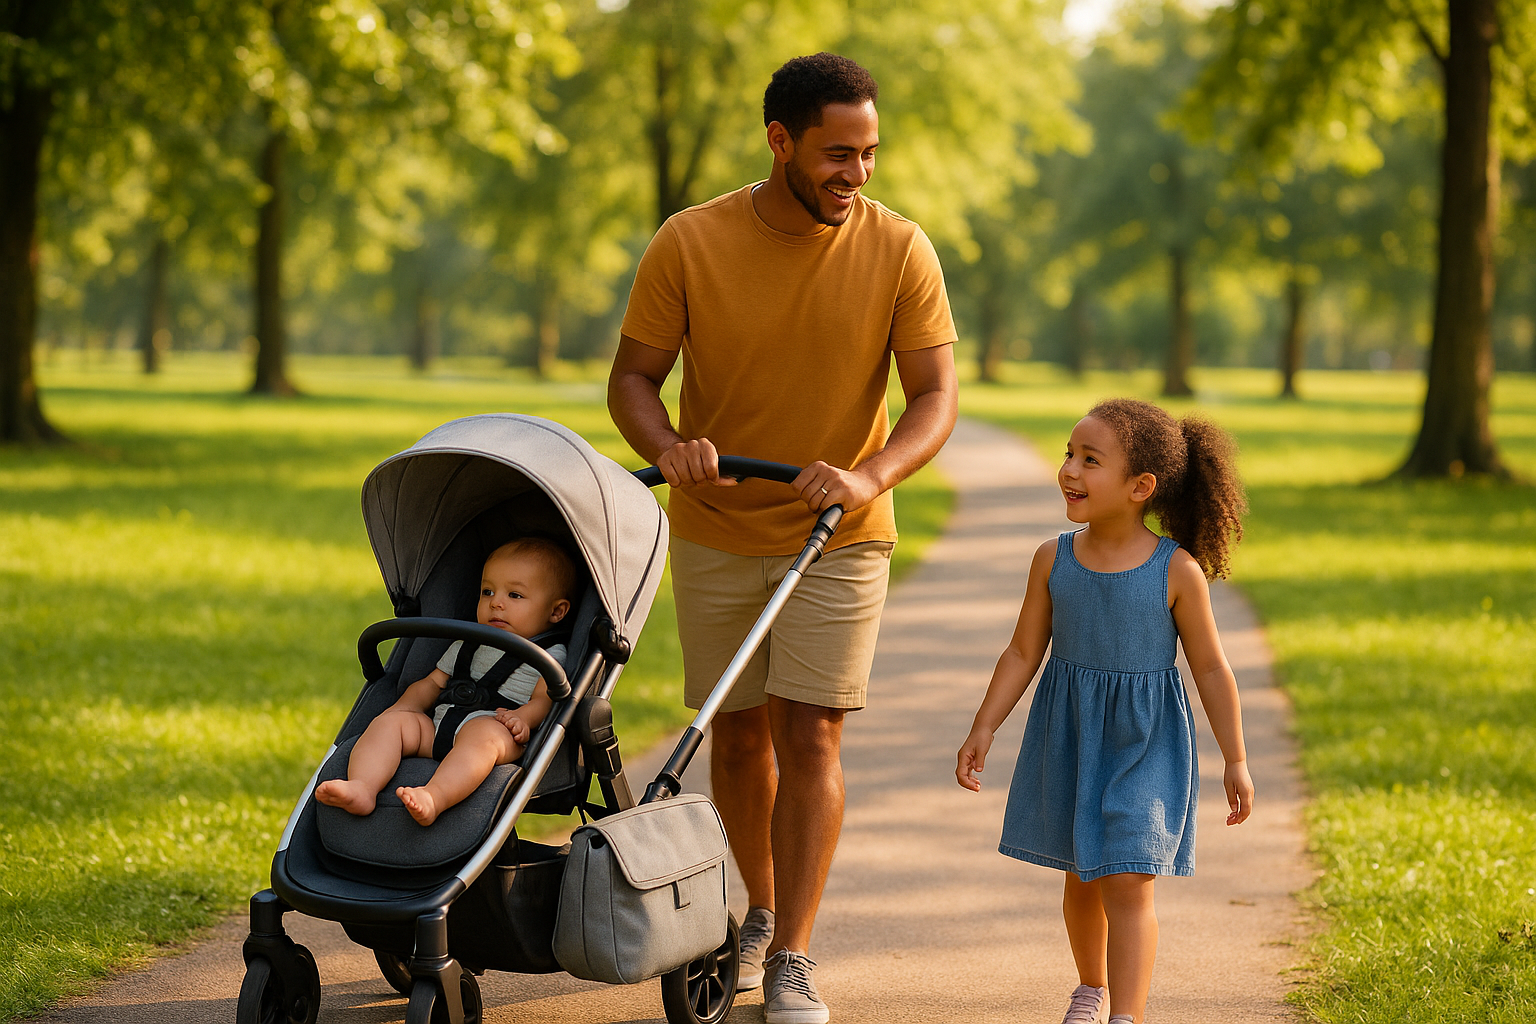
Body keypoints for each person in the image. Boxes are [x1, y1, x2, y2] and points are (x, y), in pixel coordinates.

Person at [608, 52, 957, 1024]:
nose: (858, 172)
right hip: (718, 523)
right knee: (738, 728)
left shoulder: (900, 249)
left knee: (813, 728)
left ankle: (794, 951)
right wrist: (670, 446)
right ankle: (753, 917)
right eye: (838, 153)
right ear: (780, 141)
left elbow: (935, 397)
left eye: (871, 153)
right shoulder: (690, 241)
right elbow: (632, 379)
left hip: (840, 530)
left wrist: (870, 475)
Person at [955, 399, 1256, 1024]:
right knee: (1083, 876)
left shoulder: (1175, 569)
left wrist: (1236, 758)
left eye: (1090, 460)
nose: (1069, 469)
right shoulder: (1053, 558)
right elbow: (1021, 650)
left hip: (1146, 743)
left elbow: (1210, 669)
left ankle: (1128, 1014)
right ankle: (1091, 988)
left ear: (1140, 487)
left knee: (1128, 877)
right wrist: (984, 725)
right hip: (1072, 737)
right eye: (1069, 453)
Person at [315, 538, 574, 827]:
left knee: (482, 738)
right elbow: (434, 682)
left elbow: (545, 698)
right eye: (487, 591)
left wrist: (523, 718)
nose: (496, 603)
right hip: (439, 725)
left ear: (556, 612)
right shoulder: (469, 641)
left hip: (499, 729)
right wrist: (405, 708)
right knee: (389, 724)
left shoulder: (551, 653)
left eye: (514, 595)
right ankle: (363, 786)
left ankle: (434, 796)